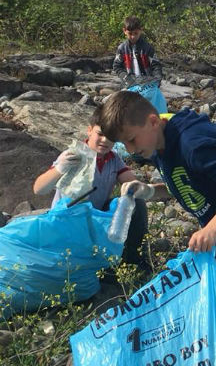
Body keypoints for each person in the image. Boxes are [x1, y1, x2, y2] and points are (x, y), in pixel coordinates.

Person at [97, 90, 216, 364]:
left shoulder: (194, 144)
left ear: (154, 121)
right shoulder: (158, 145)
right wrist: (147, 190)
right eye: (124, 144)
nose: (130, 151)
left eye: (131, 140)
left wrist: (212, 230)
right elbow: (181, 183)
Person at [33, 106, 150, 271]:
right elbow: (39, 189)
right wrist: (60, 168)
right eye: (100, 134)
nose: (105, 140)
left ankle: (132, 260)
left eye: (110, 136)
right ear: (89, 131)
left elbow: (132, 184)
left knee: (136, 203)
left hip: (95, 217)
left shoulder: (114, 159)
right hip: (68, 219)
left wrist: (138, 190)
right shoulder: (73, 155)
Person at [113, 15, 167, 115]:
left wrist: (157, 79)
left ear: (141, 31)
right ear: (124, 31)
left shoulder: (148, 47)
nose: (133, 36)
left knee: (155, 103)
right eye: (130, 33)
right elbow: (117, 66)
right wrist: (126, 78)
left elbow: (155, 65)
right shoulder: (121, 48)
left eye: (136, 33)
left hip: (147, 82)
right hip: (130, 83)